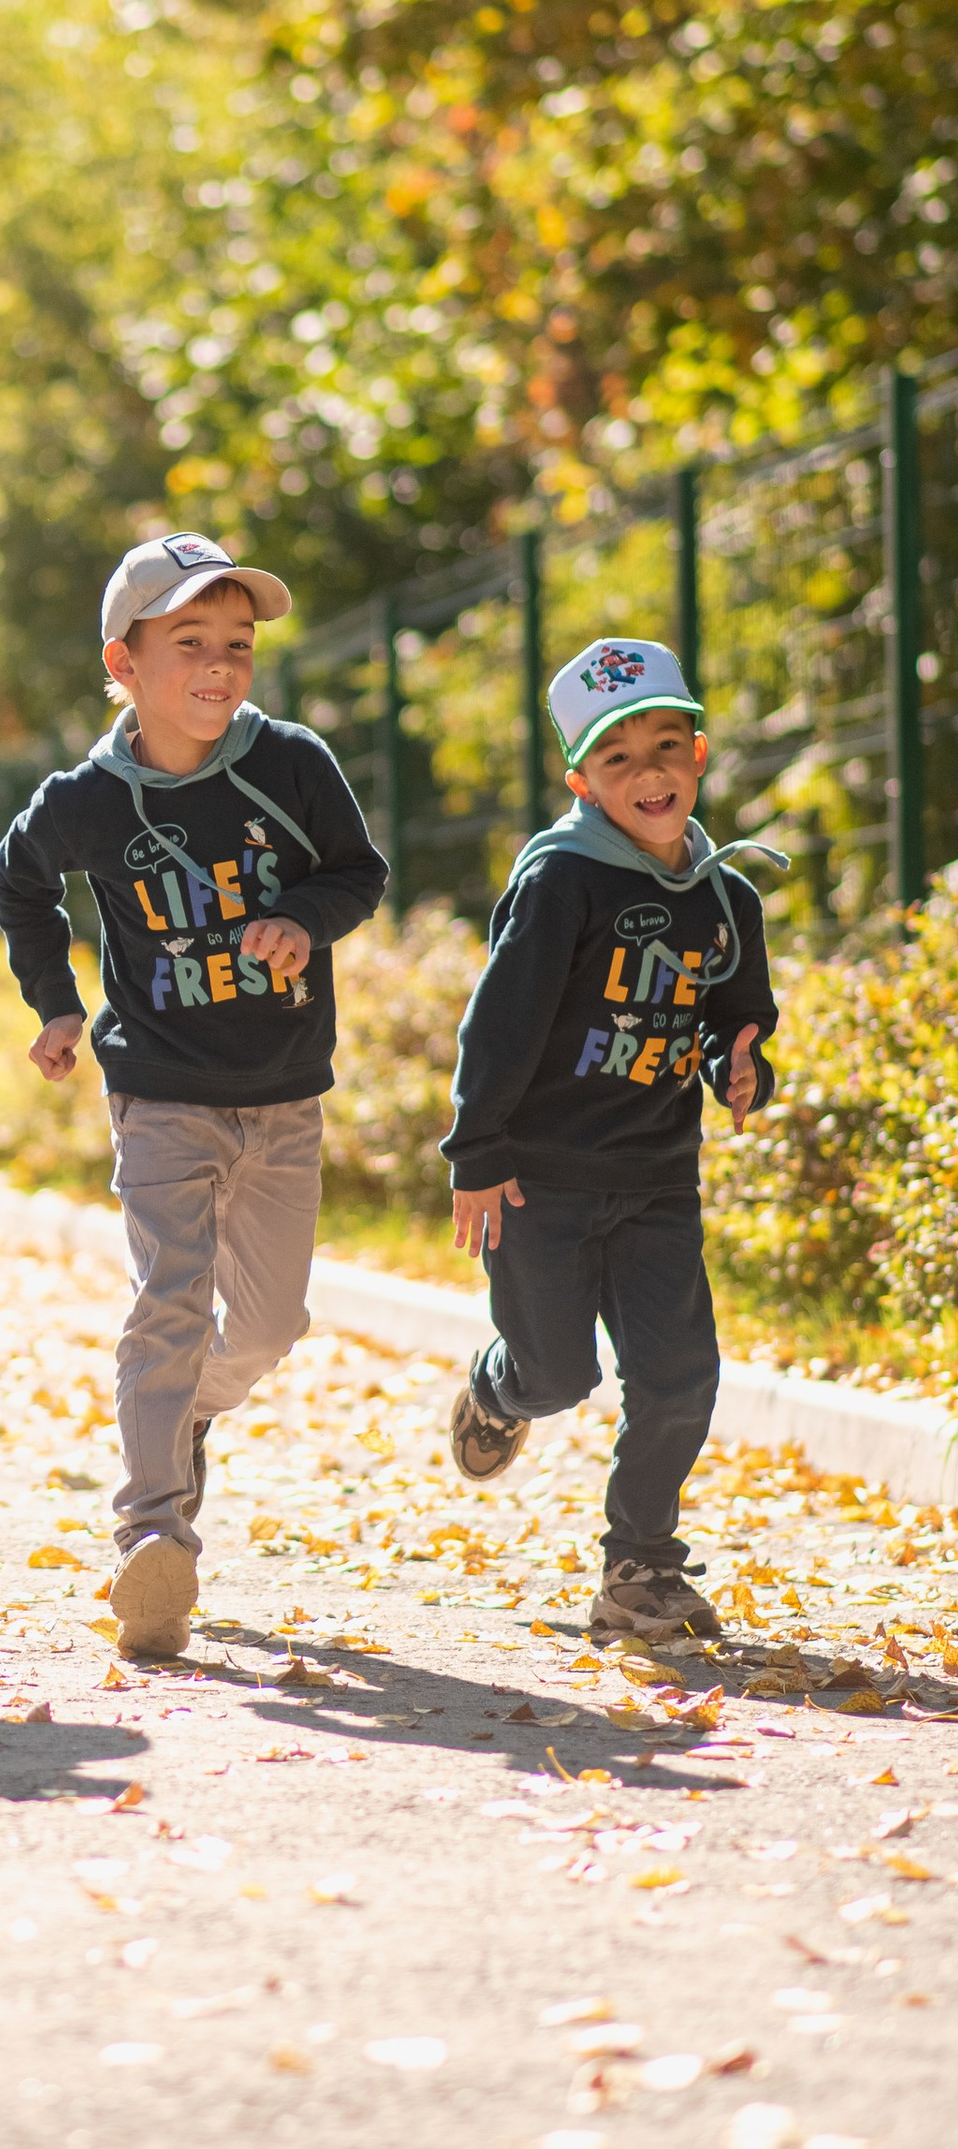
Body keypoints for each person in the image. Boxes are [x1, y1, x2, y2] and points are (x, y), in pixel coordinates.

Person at [0, 535, 388, 1660]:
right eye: (189, 644)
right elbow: (17, 878)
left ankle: (193, 1413)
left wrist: (302, 919)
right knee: (169, 1299)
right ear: (124, 663)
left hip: (282, 1092)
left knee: (267, 1324)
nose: (219, 666)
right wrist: (55, 1003)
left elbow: (358, 871)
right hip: (158, 1088)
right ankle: (150, 1538)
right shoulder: (87, 799)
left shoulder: (292, 762)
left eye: (237, 644)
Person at [442, 637, 778, 1640]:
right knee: (558, 1377)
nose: (650, 773)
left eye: (667, 745)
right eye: (619, 757)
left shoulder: (727, 897)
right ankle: (496, 1388)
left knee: (679, 1377)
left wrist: (740, 1064)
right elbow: (498, 1027)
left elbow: (739, 1016)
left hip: (657, 1183)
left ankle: (639, 1567)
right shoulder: (561, 883)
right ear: (581, 779)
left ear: (700, 757)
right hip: (535, 1180)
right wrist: (476, 1153)